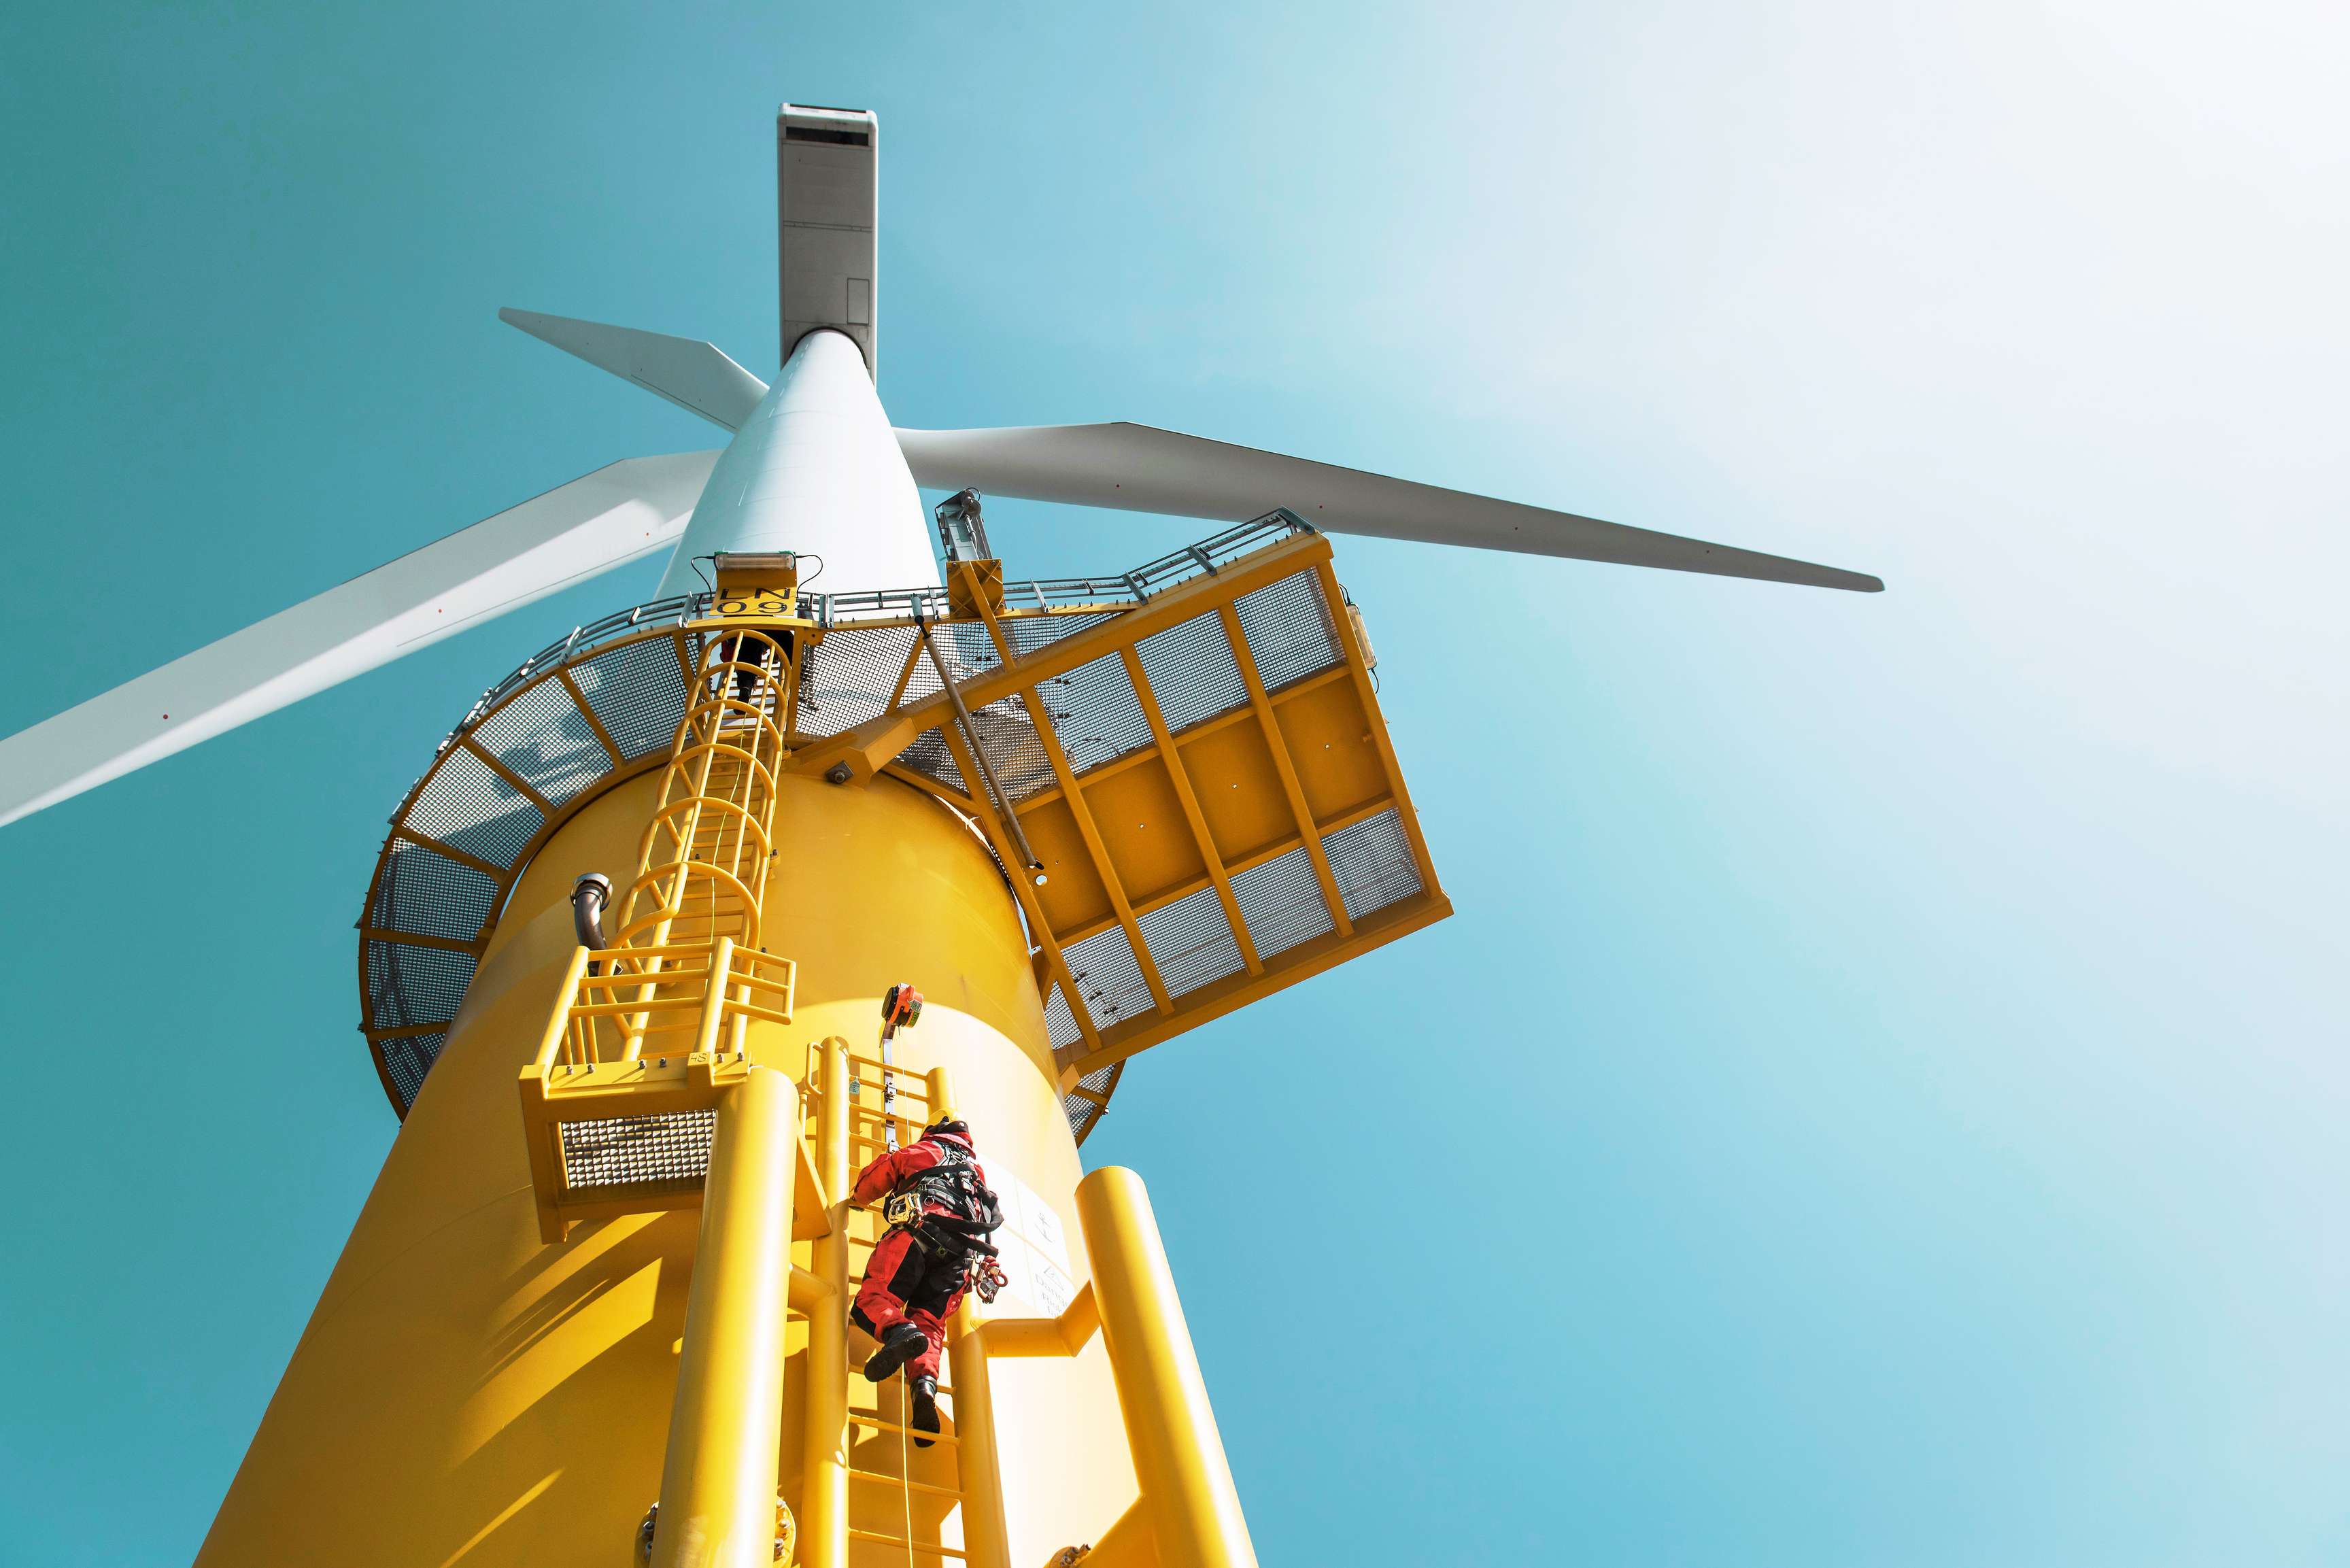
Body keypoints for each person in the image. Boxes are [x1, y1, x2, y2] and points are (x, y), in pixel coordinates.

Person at [849, 1117, 1004, 1445]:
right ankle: (925, 1389)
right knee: (930, 1325)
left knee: (873, 1301)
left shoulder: (929, 1149)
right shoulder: (977, 1179)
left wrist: (857, 1197)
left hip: (919, 1232)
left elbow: (881, 1175)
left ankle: (899, 1331)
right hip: (960, 1260)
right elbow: (988, 1223)